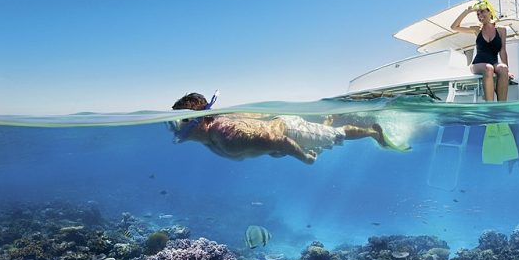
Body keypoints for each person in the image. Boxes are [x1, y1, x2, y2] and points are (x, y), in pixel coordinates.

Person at [168, 92, 408, 164]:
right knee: (321, 136)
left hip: (290, 132)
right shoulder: (210, 140)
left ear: (200, 119)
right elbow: (269, 144)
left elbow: (280, 140)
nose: (173, 128)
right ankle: (324, 121)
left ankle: (373, 132)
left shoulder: (227, 134)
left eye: (180, 121)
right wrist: (272, 150)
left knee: (336, 136)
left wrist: (305, 159)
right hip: (279, 139)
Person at [451, 1, 513, 101]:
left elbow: (502, 50)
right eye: (478, 14)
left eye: (482, 12)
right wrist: (467, 11)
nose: (480, 16)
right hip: (478, 64)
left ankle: (502, 106)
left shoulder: (501, 30)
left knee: (503, 68)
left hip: (494, 62)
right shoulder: (477, 29)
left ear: (490, 12)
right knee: (489, 68)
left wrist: (507, 72)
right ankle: (490, 106)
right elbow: (454, 27)